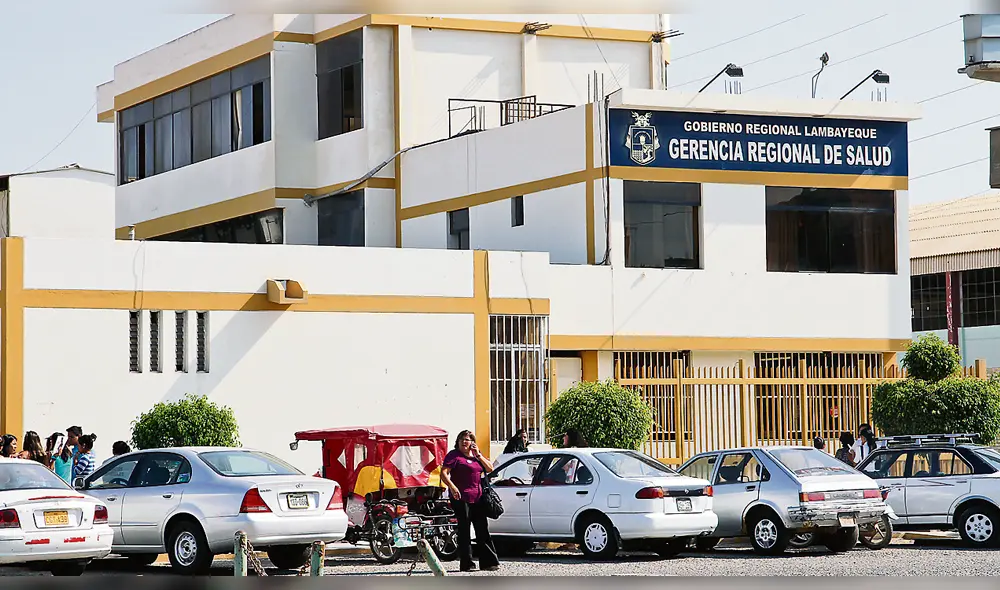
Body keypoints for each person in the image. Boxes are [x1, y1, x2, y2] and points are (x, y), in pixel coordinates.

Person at [441, 430, 499, 573]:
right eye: (461, 439)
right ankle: (467, 564)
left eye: (467, 439)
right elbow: (444, 473)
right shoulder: (454, 455)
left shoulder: (475, 456)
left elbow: (490, 468)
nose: (464, 442)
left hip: (478, 498)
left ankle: (489, 562)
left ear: (472, 442)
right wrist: (452, 487)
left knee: (482, 530)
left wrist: (478, 455)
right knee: (464, 530)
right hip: (461, 497)